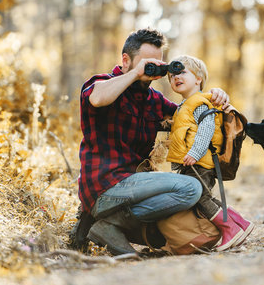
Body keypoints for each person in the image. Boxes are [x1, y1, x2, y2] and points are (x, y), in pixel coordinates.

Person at [76, 28, 230, 255]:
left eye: (157, 64)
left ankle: (109, 226)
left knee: (178, 208)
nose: (152, 69)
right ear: (126, 60)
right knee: (190, 188)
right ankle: (108, 223)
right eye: (146, 63)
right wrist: (136, 73)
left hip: (136, 188)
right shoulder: (102, 83)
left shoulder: (153, 101)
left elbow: (189, 116)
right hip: (103, 187)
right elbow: (98, 98)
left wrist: (214, 96)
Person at [166, 55, 254, 251]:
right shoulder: (185, 106)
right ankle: (240, 224)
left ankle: (230, 229)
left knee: (200, 198)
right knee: (205, 197)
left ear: (198, 79)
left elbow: (207, 127)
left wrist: (195, 153)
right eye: (172, 76)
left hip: (199, 162)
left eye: (182, 72)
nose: (176, 78)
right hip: (193, 163)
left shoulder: (199, 103)